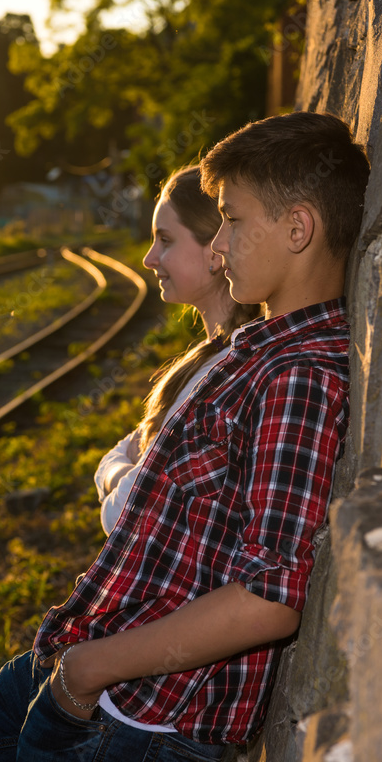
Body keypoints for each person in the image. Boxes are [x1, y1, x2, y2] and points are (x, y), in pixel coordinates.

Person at [0, 111, 370, 762]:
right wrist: (75, 668)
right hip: (84, 675)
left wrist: (91, 673)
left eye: (232, 222)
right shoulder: (259, 349)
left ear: (298, 227)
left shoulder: (298, 377)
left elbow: (271, 595)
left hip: (128, 712)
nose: (219, 244)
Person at [95, 164, 260, 536]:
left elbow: (123, 512)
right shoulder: (204, 355)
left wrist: (115, 474)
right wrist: (121, 470)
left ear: (214, 252)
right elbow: (123, 455)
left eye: (165, 240)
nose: (148, 258)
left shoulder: (216, 374)